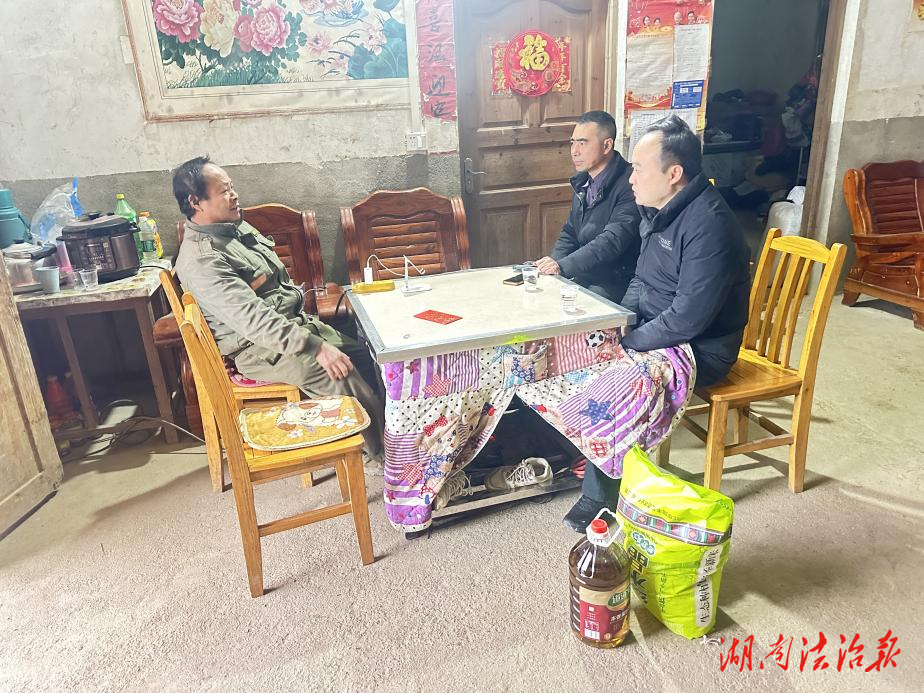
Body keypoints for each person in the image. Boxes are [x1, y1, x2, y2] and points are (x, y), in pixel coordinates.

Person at [563, 115, 751, 532]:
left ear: (674, 173)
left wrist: (630, 344)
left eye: (639, 168)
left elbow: (688, 318)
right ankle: (594, 452)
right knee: (582, 349)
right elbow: (641, 279)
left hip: (703, 347)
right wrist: (623, 323)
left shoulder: (710, 226)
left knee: (617, 379)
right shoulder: (659, 209)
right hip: (659, 326)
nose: (630, 178)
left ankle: (600, 497)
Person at [172, 156, 385, 471]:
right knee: (342, 375)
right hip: (260, 349)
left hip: (293, 327)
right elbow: (255, 322)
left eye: (232, 188)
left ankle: (390, 438)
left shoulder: (233, 228)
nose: (234, 196)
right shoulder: (203, 260)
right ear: (195, 202)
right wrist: (316, 348)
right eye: (224, 191)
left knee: (370, 356)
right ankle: (385, 460)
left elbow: (272, 285)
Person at [534, 110, 641, 302]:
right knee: (539, 292)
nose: (574, 151)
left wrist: (563, 267)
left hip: (615, 279)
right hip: (585, 272)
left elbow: (611, 241)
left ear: (607, 145)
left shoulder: (630, 183)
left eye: (582, 143)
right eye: (572, 143)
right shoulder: (584, 181)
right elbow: (570, 232)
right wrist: (553, 265)